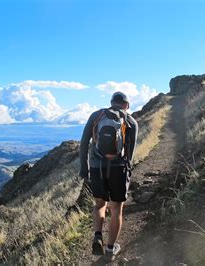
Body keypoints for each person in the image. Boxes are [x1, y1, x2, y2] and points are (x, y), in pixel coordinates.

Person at [79, 91, 138, 261]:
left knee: (99, 204)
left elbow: (84, 142)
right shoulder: (131, 121)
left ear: (111, 102)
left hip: (97, 168)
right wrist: (127, 170)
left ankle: (98, 235)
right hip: (118, 169)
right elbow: (130, 154)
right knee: (116, 208)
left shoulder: (97, 116)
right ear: (126, 105)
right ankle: (111, 249)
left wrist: (84, 167)